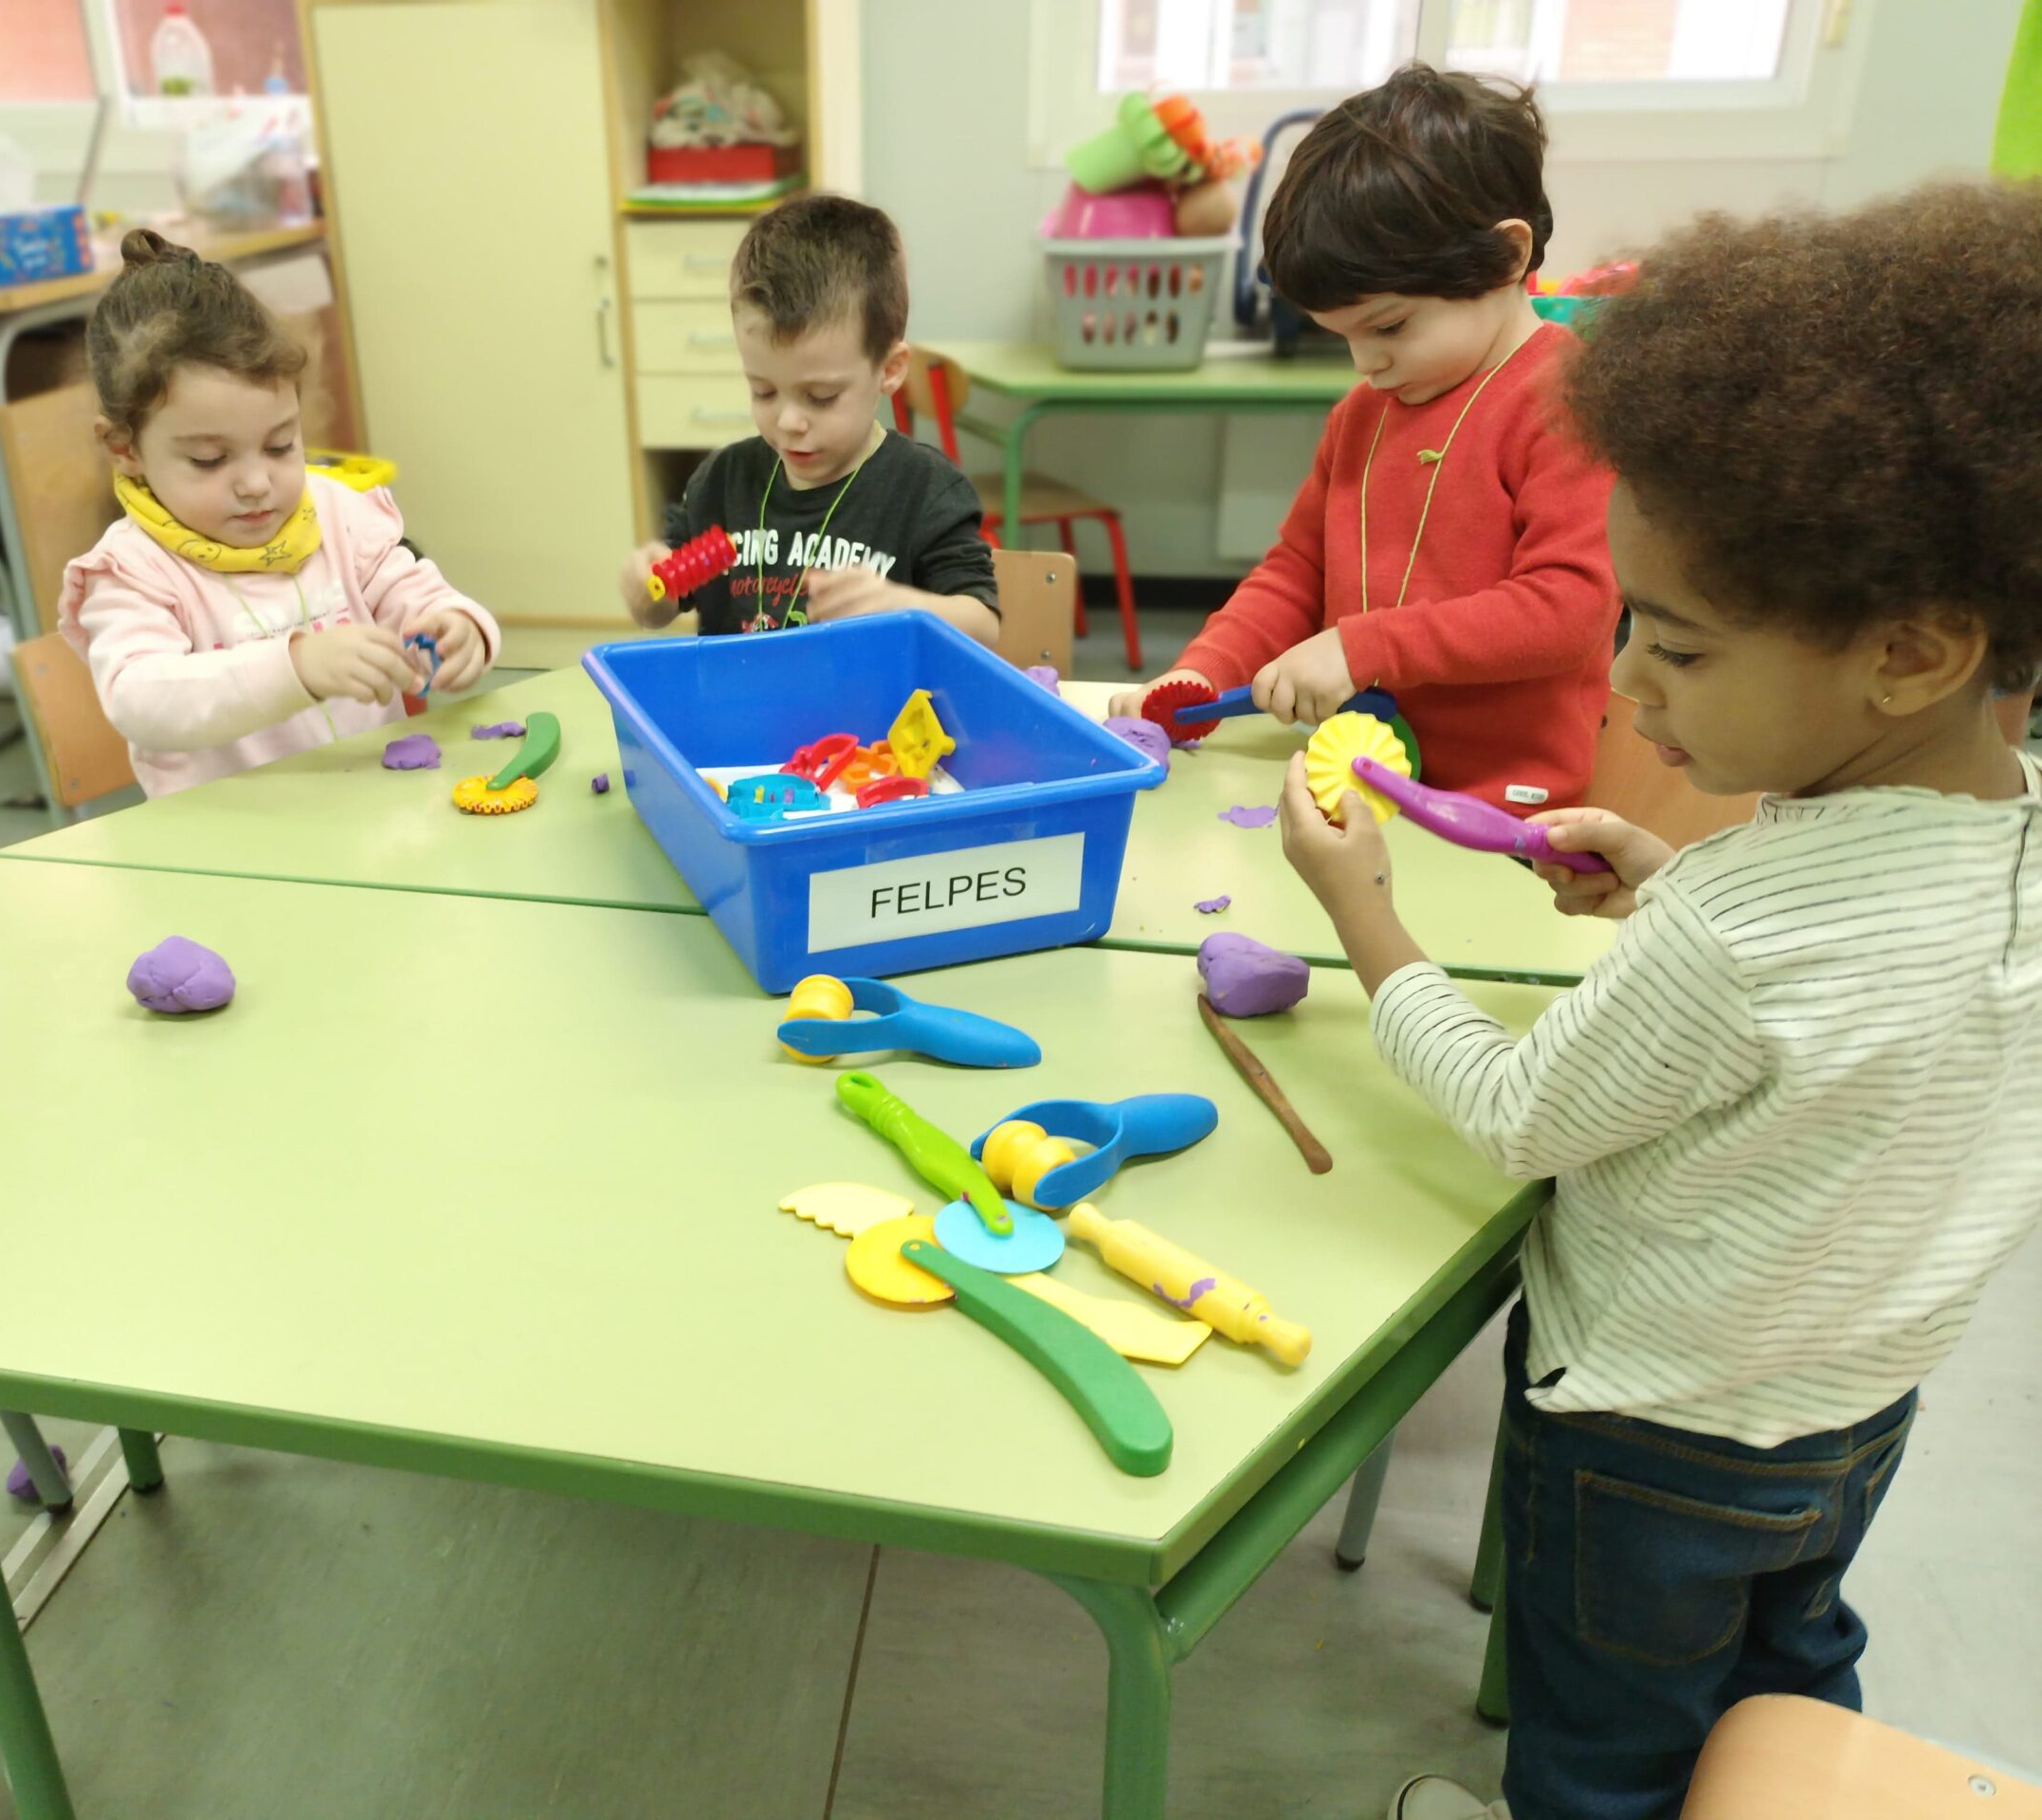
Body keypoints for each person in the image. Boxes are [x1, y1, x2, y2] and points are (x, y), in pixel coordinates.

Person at [1277, 186, 2042, 1820]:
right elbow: (1863, 1003)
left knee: (1606, 1747)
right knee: (1788, 1672)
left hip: (1651, 1437)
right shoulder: (2016, 836)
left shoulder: (1740, 932)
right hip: (1856, 1404)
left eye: (1679, 653)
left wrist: (1366, 918)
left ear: (1911, 653)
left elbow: (1516, 1116)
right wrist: (1675, 878)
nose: (1624, 683)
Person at [1111, 64, 1614, 812]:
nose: (1365, 363)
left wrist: (1362, 647)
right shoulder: (1363, 413)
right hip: (1353, 778)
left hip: (1499, 810)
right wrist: (1206, 670)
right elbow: (1295, 573)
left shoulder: (1569, 401)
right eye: (1340, 336)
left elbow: (1567, 609)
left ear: (1508, 257)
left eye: (1389, 327)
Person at [62, 230, 500, 798]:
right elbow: (141, 699)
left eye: (279, 445)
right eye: (210, 459)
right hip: (233, 836)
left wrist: (457, 626)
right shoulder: (131, 571)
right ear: (124, 448)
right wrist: (296, 667)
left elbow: (410, 591)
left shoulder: (336, 514)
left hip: (377, 810)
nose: (256, 484)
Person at [617, 195, 998, 643]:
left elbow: (984, 627)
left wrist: (901, 606)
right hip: (740, 690)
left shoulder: (925, 490)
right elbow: (662, 606)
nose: (789, 422)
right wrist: (646, 590)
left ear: (889, 370)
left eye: (821, 397)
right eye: (763, 391)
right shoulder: (723, 483)